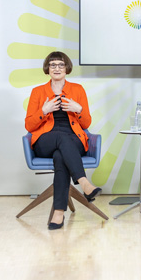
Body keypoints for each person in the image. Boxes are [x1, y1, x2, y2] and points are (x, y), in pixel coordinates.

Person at [24, 51, 101, 230]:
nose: (57, 68)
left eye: (60, 64)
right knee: (59, 138)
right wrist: (43, 111)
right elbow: (29, 125)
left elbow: (87, 123)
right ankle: (83, 182)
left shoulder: (78, 90)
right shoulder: (38, 92)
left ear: (67, 68)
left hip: (74, 140)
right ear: (47, 68)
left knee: (61, 156)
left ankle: (58, 213)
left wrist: (78, 108)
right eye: (53, 65)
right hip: (45, 141)